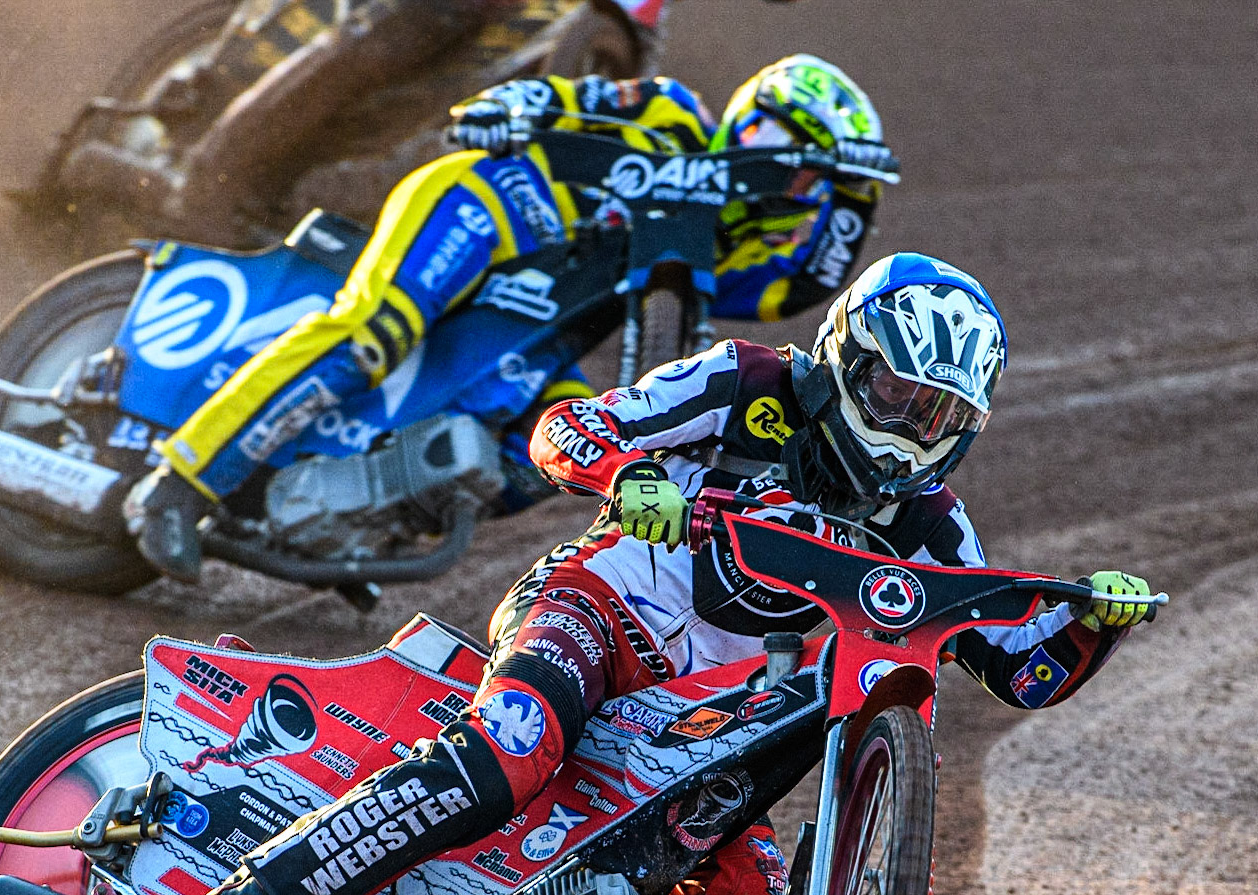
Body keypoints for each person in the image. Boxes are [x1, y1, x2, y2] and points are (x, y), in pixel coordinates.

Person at [146, 252, 1157, 895]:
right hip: (593, 603)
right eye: (895, 393)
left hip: (693, 704)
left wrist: (1091, 622)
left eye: (937, 413)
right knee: (510, 749)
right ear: (847, 355)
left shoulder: (930, 522)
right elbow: (563, 430)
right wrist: (627, 474)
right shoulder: (741, 381)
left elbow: (1020, 665)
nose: (907, 429)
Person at [125, 54, 902, 581]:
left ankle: (374, 512)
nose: (800, 191)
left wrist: (855, 200)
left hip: (531, 323)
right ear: (760, 126)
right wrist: (517, 104)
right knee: (373, 332)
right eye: (801, 164)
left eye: (818, 183)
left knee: (560, 439)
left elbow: (789, 294)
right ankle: (177, 482)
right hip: (488, 208)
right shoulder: (671, 113)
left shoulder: (726, 252)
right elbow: (579, 95)